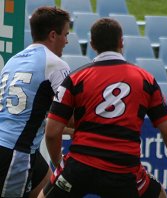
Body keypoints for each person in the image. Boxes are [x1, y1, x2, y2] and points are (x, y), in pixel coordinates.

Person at [39, 18, 167, 198]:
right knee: (160, 195)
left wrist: (59, 164)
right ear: (121, 42)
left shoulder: (75, 78)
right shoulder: (145, 79)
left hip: (80, 164)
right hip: (124, 169)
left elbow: (52, 132)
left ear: (93, 45)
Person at [0, 7, 71, 198]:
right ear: (53, 35)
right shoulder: (56, 64)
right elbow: (70, 116)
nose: (67, 41)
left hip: (13, 144)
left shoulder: (13, 61)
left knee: (50, 191)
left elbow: (25, 115)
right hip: (17, 152)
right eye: (65, 34)